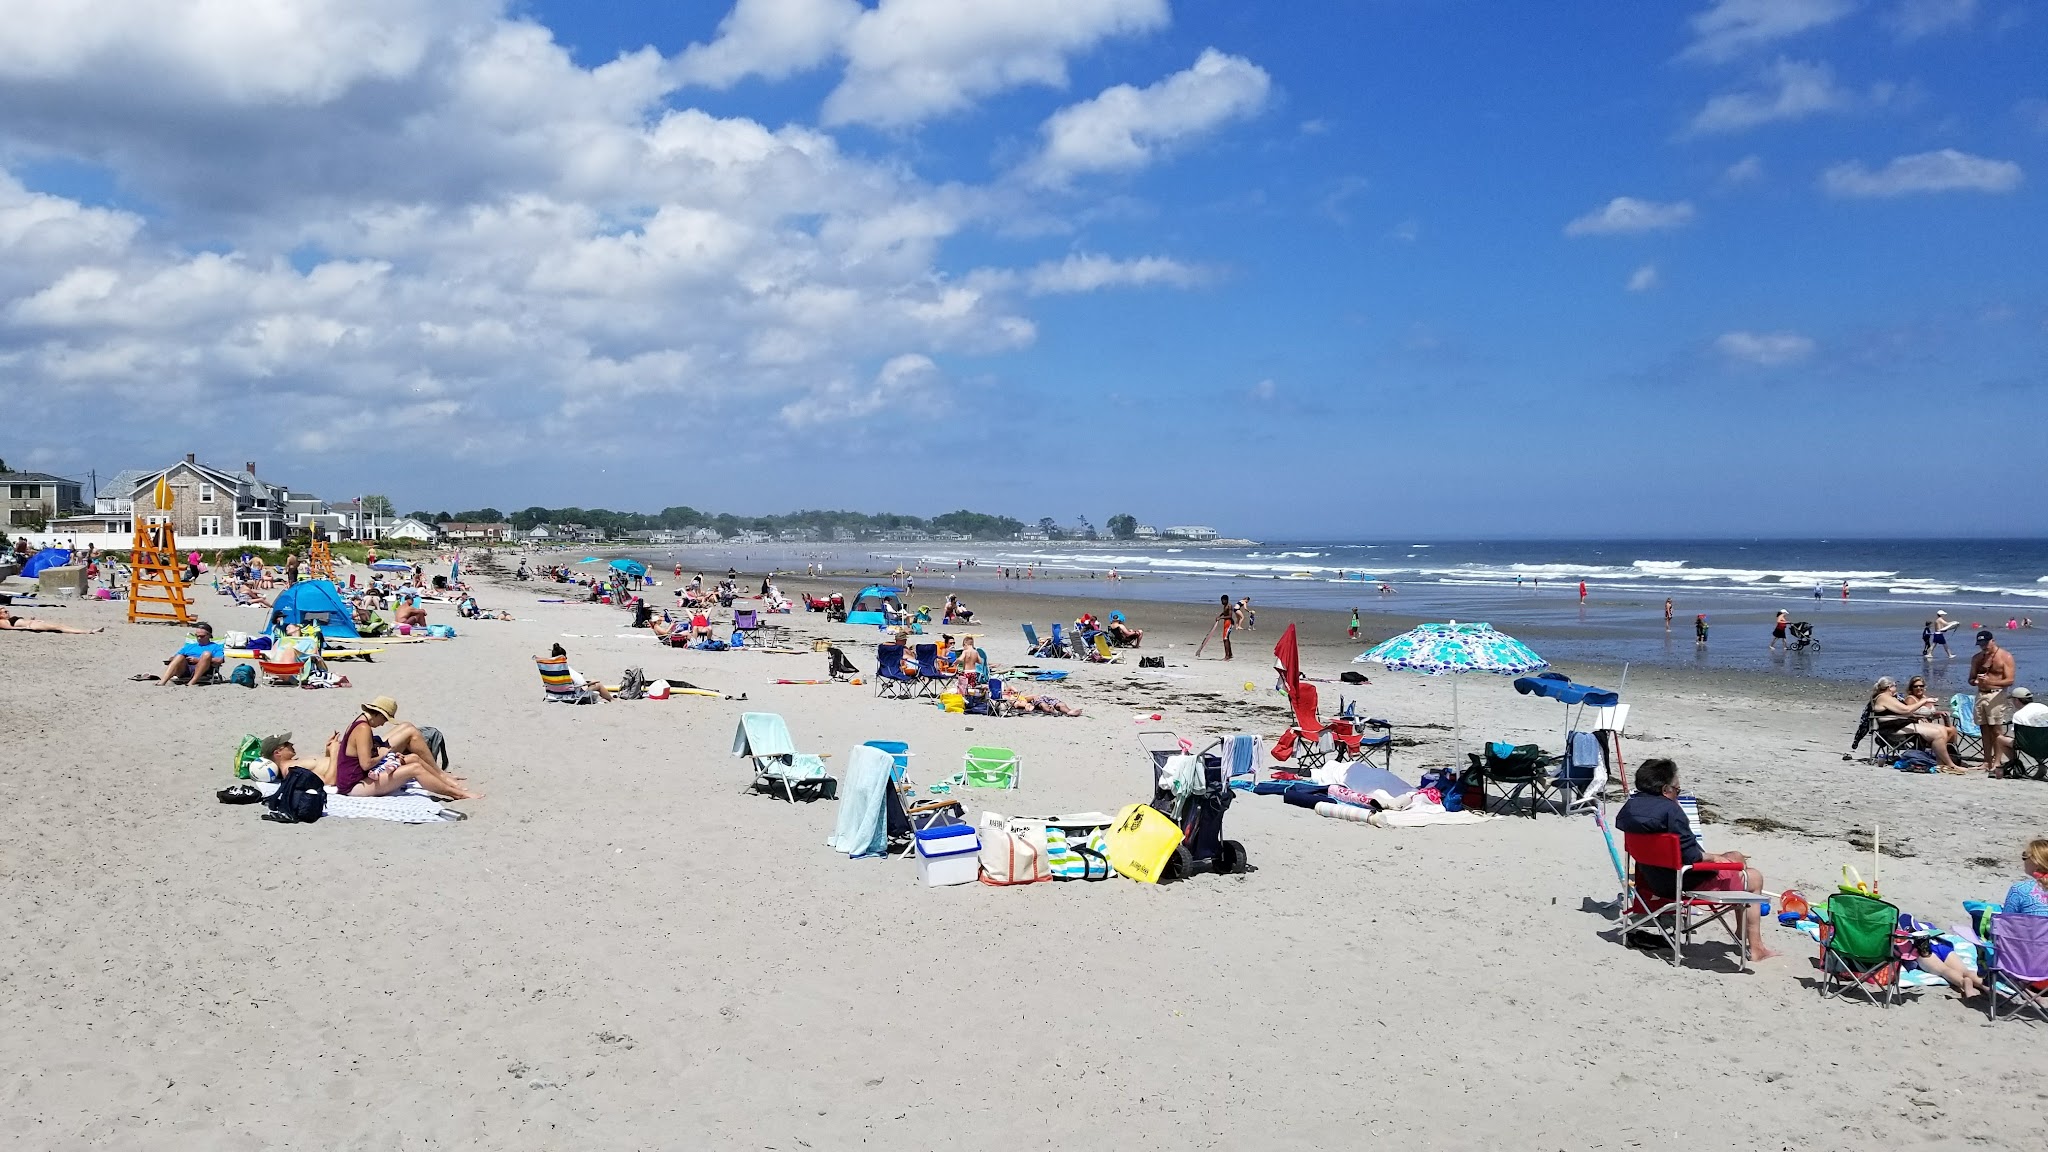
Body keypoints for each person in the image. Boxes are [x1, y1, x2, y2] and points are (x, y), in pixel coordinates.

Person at [1613, 758, 1779, 961]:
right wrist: (1714, 858)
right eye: (1677, 790)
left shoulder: (1630, 808)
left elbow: (1681, 851)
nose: (1677, 794)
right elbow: (1691, 856)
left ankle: (1739, 931)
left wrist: (1717, 857)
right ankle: (1757, 948)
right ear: (1666, 789)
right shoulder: (1671, 811)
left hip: (1652, 880)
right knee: (1754, 878)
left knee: (1735, 857)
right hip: (1683, 881)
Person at [337, 695, 475, 798]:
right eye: (384, 719)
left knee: (414, 758)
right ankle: (457, 794)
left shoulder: (359, 722)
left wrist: (390, 756)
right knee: (415, 769)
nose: (383, 724)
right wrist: (383, 754)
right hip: (353, 785)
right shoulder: (363, 728)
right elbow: (366, 764)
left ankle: (444, 780)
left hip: (360, 777)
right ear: (378, 714)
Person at [1871, 676, 1964, 772]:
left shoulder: (1889, 697)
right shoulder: (1883, 697)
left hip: (1901, 723)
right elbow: (1906, 709)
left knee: (1942, 729)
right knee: (1937, 734)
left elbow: (1905, 712)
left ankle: (1940, 764)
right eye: (1895, 685)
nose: (1896, 688)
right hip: (1892, 728)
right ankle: (1950, 764)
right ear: (1889, 687)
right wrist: (1924, 701)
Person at [1970, 630, 2017, 773]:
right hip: (1981, 694)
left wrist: (1990, 682)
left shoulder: (2005, 656)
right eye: (1981, 644)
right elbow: (1971, 679)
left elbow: (2010, 680)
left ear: (1993, 641)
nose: (1983, 647)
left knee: (1996, 730)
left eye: (1986, 643)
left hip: (1997, 695)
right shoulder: (1977, 658)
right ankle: (1986, 761)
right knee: (1983, 729)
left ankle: (1997, 762)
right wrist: (1977, 681)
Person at [160, 621, 224, 685]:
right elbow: (173, 657)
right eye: (197, 636)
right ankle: (162, 682)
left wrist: (198, 660)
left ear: (209, 635)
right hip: (185, 669)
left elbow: (220, 660)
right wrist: (182, 658)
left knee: (206, 654)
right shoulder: (190, 646)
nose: (199, 638)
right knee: (179, 656)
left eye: (202, 636)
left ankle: (192, 682)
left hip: (204, 671)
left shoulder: (215, 647)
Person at [2000, 839, 2048, 917]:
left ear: (2036, 861)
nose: (2023, 860)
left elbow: (2006, 922)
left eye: (2025, 856)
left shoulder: (2020, 889)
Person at [0, 607, 103, 634]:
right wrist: (26, 627)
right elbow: (10, 628)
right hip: (32, 626)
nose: (7, 612)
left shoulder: (9, 618)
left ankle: (86, 631)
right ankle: (87, 631)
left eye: (7, 610)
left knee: (60, 625)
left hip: (33, 623)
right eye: (5, 612)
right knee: (58, 627)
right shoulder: (2, 622)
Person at [1215, 594, 1235, 660]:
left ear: (1226, 600)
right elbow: (1224, 612)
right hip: (1226, 622)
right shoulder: (1225, 606)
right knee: (1227, 638)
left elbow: (1230, 616)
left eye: (1222, 601)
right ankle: (1230, 654)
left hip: (1229, 622)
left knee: (1225, 639)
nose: (1221, 602)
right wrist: (1219, 616)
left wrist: (1221, 618)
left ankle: (1227, 656)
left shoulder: (1229, 606)